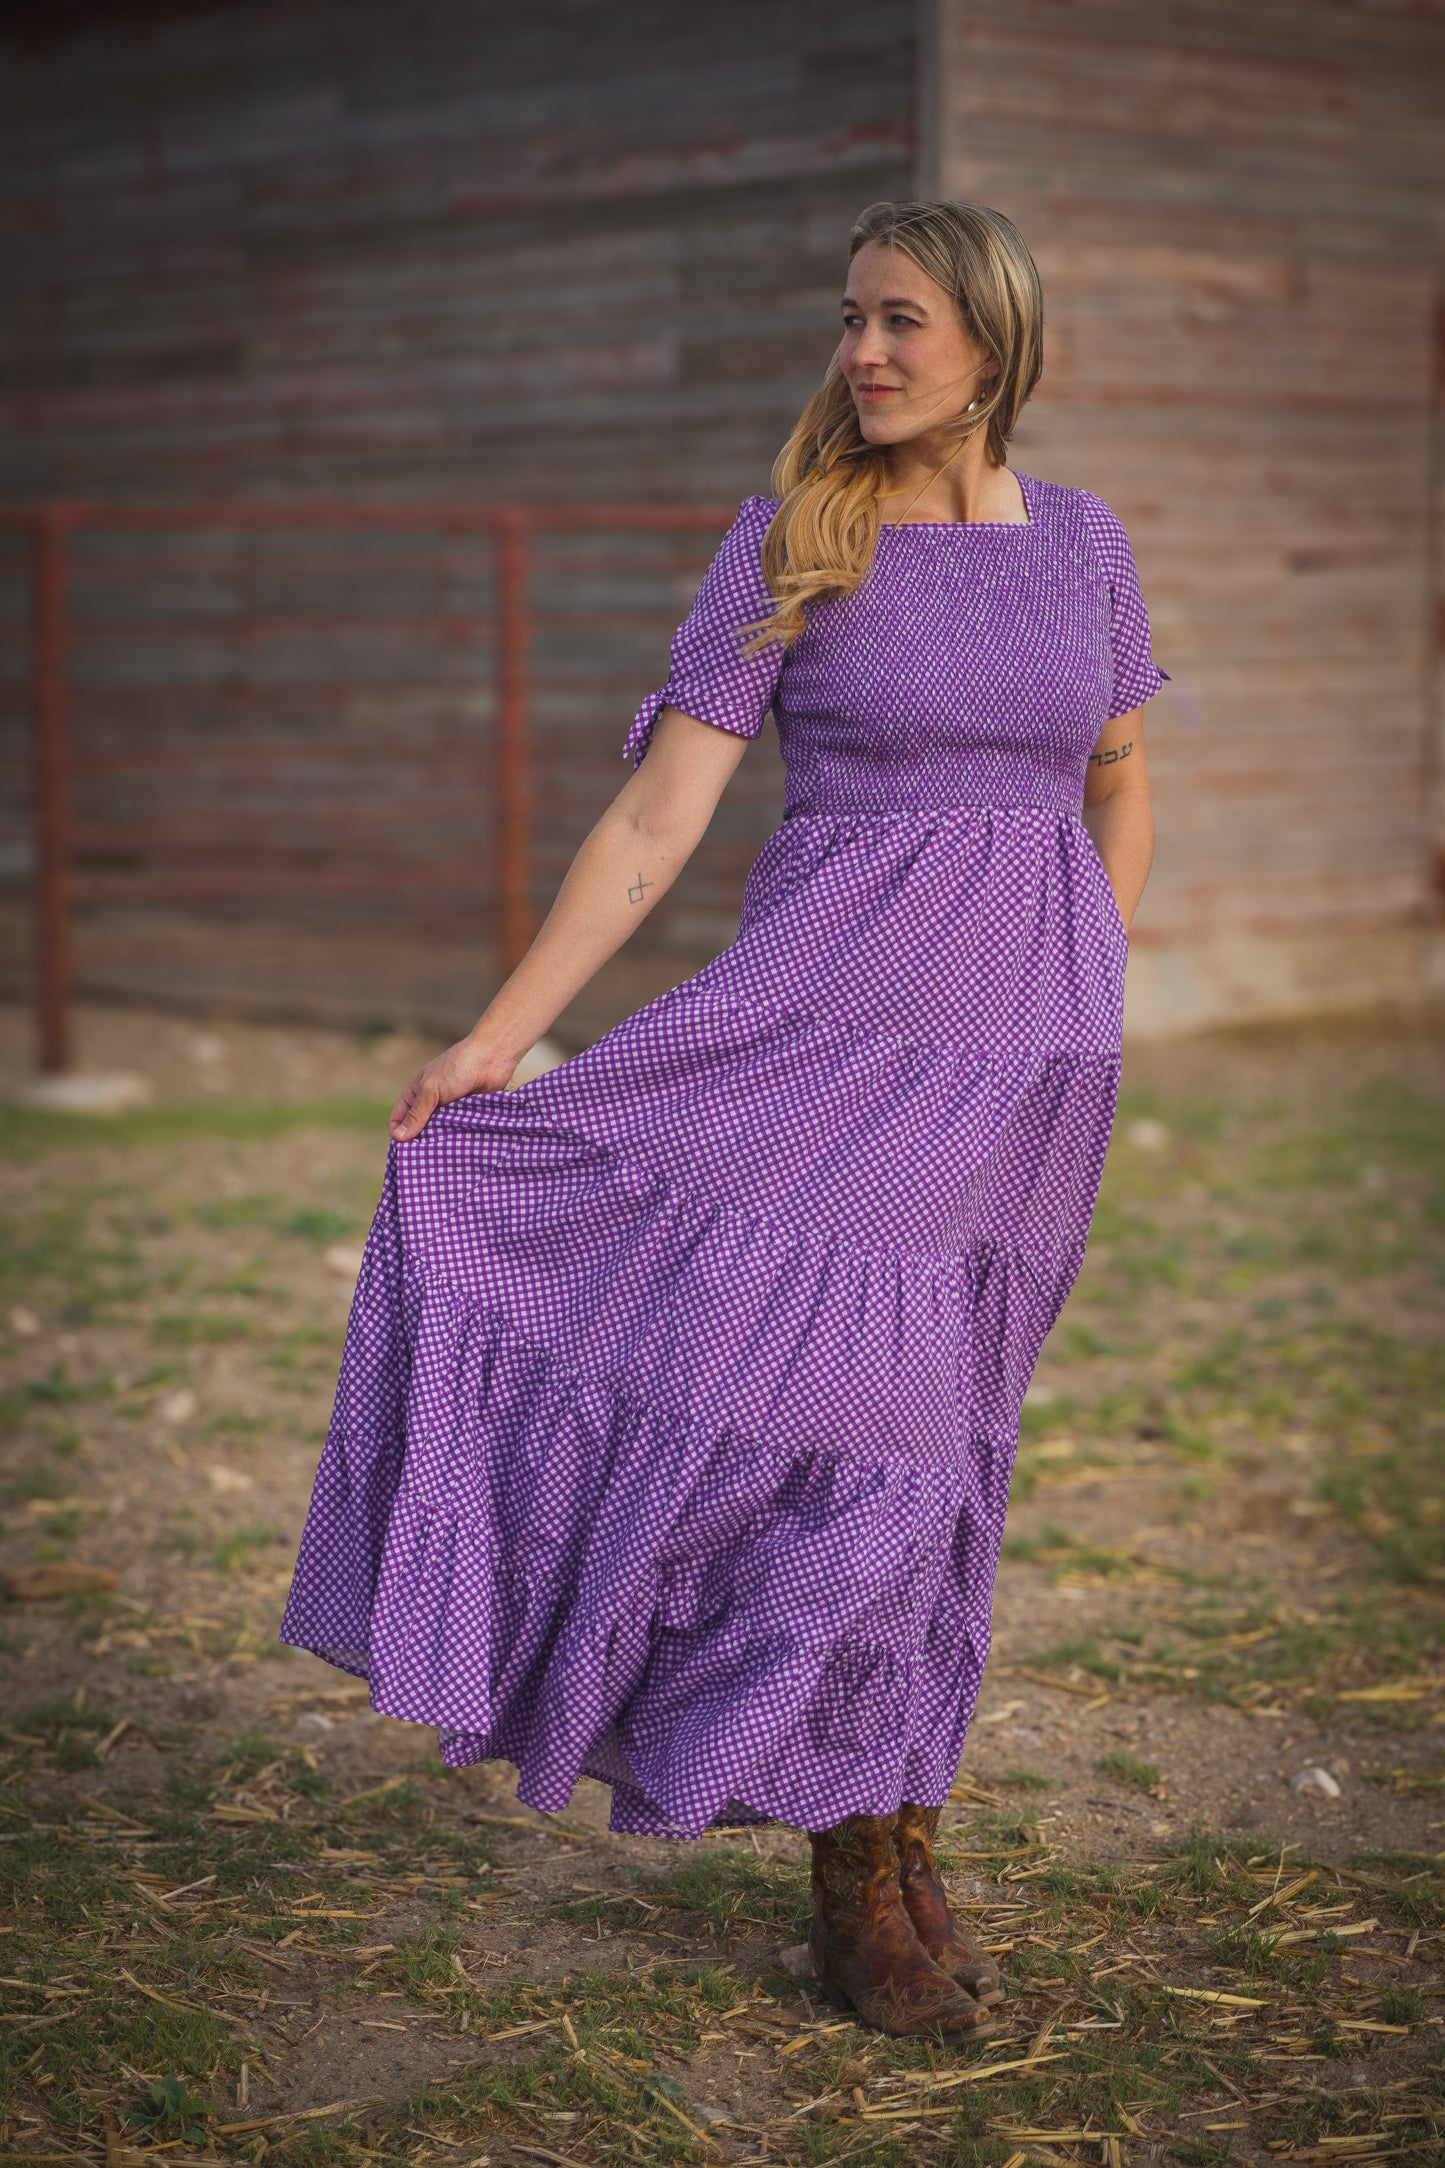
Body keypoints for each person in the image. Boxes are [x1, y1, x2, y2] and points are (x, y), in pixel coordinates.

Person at [281, 198, 1163, 2038]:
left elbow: (1117, 774)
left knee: (950, 1453)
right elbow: (653, 827)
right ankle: (856, 1867)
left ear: (993, 342)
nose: (863, 354)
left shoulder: (1083, 546)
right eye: (851, 321)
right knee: (869, 1449)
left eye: (900, 323)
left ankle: (903, 1831)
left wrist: (1086, 980)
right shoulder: (791, 539)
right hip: (820, 1039)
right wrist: (495, 1039)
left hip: (1018, 1077)